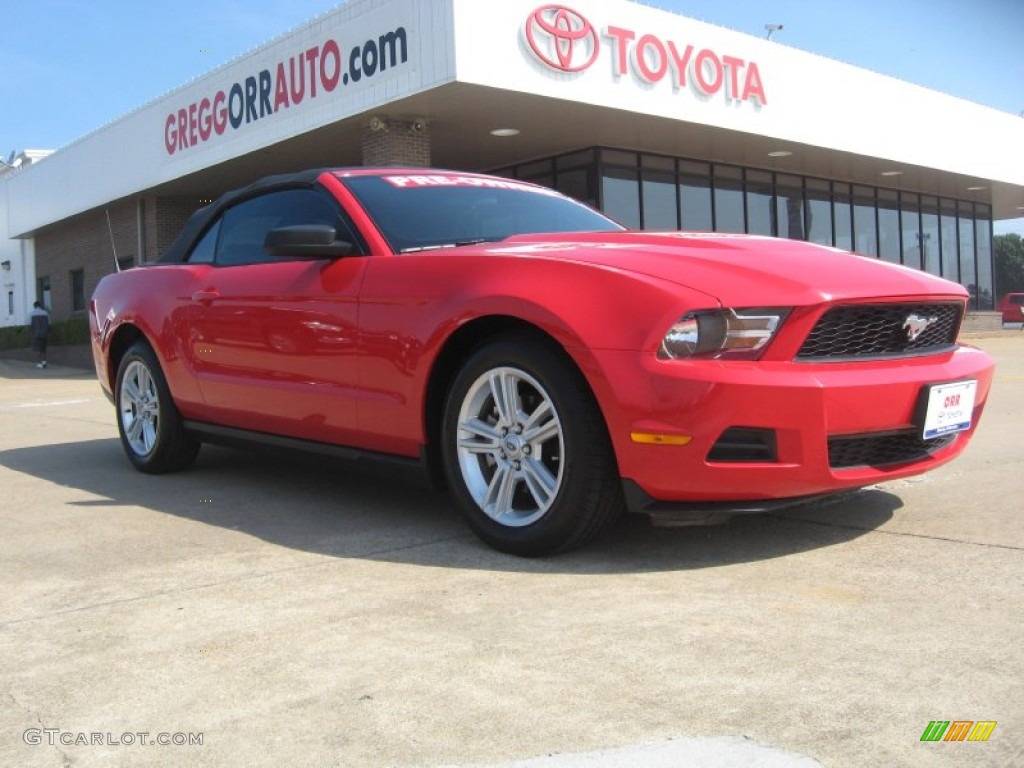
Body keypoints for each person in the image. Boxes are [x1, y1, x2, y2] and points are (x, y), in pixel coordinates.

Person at [29, 301, 50, 369]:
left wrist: (30, 333)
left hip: (36, 334)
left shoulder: (31, 314)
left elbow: (29, 324)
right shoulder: (46, 313)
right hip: (44, 334)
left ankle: (39, 363)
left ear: (34, 306)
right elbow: (49, 324)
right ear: (40, 305)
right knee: (43, 349)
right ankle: (44, 363)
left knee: (38, 349)